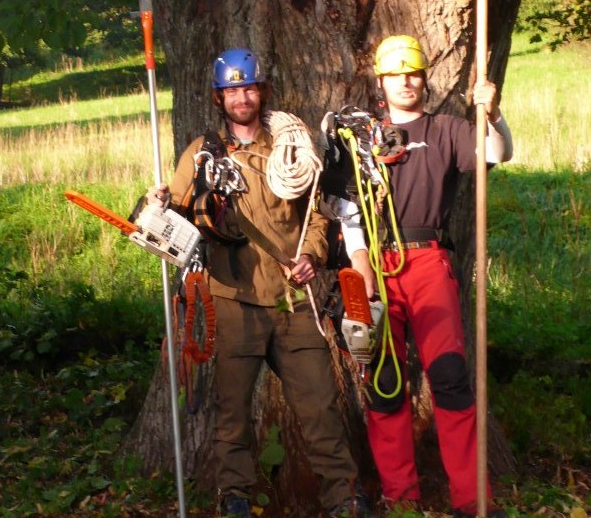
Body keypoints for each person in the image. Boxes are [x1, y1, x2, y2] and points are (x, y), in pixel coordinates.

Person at [146, 48, 369, 518]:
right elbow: (176, 215)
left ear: (261, 91)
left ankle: (343, 497)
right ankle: (235, 498)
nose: (241, 97)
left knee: (319, 408)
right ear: (219, 97)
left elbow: (317, 215)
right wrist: (159, 201)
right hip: (232, 300)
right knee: (231, 412)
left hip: (294, 302)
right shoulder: (203, 152)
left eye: (248, 87)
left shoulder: (293, 147)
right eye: (232, 90)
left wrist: (311, 255)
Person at [338, 35, 513, 516]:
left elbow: (498, 154)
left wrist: (492, 114)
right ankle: (401, 496)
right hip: (374, 265)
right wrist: (360, 264)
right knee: (384, 380)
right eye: (395, 74)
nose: (406, 82)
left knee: (451, 377)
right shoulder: (361, 137)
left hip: (429, 260)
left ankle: (472, 496)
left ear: (424, 77)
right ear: (382, 80)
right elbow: (346, 208)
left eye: (412, 72)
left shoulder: (447, 130)